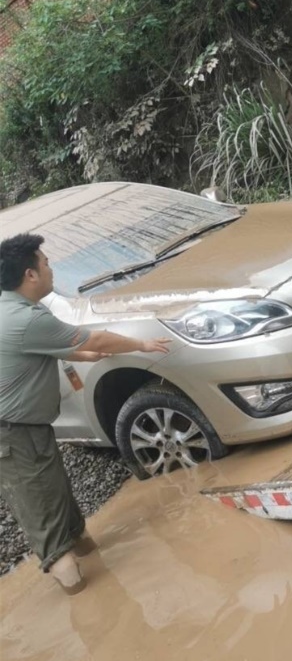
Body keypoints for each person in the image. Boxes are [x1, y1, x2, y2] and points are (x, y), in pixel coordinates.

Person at [0, 233, 172, 595]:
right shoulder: (24, 319)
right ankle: (87, 602)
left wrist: (83, 357)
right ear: (30, 274)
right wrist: (141, 344)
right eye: (45, 263)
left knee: (59, 500)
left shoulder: (16, 309)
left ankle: (89, 556)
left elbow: (48, 347)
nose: (51, 268)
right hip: (12, 434)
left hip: (26, 427)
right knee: (45, 519)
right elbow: (91, 338)